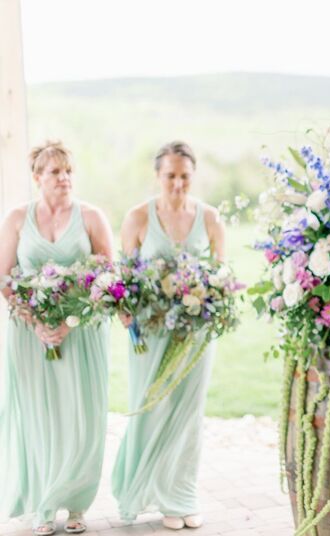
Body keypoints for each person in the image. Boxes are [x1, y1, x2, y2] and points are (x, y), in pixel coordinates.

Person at [0, 141, 114, 536]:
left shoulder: (92, 217)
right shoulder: (17, 219)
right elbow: (5, 279)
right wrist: (36, 322)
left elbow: (109, 277)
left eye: (68, 171)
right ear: (37, 177)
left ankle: (77, 504)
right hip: (30, 335)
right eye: (55, 172)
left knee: (81, 417)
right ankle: (44, 506)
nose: (64, 178)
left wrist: (70, 320)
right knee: (40, 417)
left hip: (82, 334)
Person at [111, 141, 225, 530]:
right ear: (157, 175)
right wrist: (124, 309)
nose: (177, 183)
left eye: (184, 176)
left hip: (195, 332)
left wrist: (206, 296)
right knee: (150, 408)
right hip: (151, 331)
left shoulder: (210, 218)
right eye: (170, 176)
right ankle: (144, 490)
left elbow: (221, 276)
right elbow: (125, 279)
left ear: (193, 176)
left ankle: (181, 498)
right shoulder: (137, 218)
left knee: (188, 414)